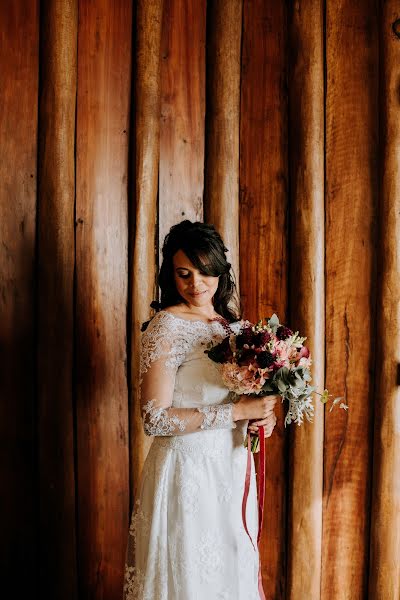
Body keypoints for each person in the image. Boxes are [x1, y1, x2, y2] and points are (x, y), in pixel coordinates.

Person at [123, 220, 278, 600]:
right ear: (169, 275)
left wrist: (263, 416)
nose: (196, 283)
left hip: (229, 467)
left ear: (219, 271)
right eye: (183, 273)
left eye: (204, 271)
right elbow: (154, 419)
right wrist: (238, 413)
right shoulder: (168, 326)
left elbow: (239, 399)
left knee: (228, 574)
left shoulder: (234, 327)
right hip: (187, 472)